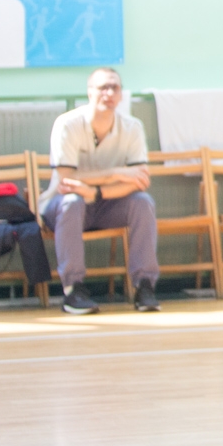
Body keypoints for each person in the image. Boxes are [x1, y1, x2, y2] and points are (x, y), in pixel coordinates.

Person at [43, 67, 160, 314]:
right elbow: (66, 178)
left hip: (107, 204)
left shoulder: (133, 127)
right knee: (72, 201)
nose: (109, 93)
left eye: (114, 87)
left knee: (143, 202)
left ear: (121, 94)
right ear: (90, 92)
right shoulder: (67, 124)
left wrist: (96, 193)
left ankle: (144, 286)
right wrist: (115, 173)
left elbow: (138, 180)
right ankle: (73, 290)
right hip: (64, 205)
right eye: (103, 87)